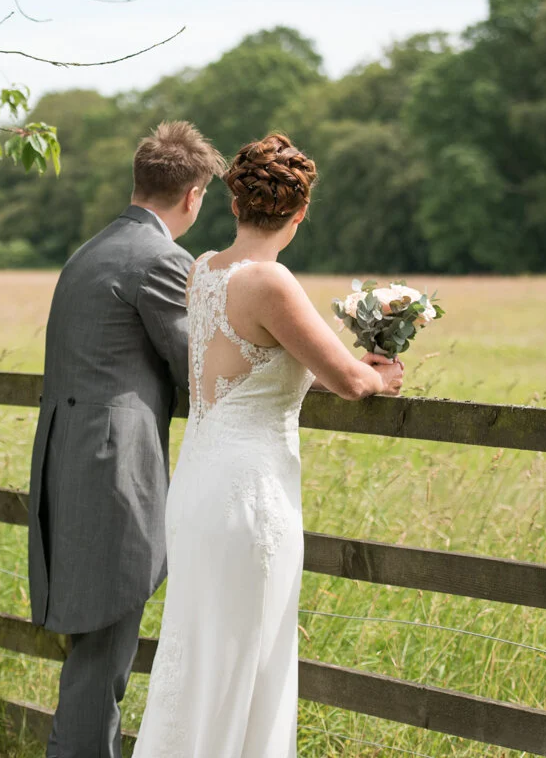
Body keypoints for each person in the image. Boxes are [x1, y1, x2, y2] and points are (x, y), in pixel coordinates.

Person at [132, 133, 404, 758]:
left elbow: (262, 359)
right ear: (300, 212)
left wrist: (340, 364)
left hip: (199, 483)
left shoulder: (204, 268)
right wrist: (380, 376)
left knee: (200, 653)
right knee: (249, 658)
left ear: (235, 205)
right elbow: (349, 382)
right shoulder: (271, 282)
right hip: (249, 494)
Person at [28, 120, 226, 758]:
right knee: (102, 656)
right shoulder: (162, 260)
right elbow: (198, 370)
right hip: (112, 472)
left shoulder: (90, 250)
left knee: (94, 651)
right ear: (193, 196)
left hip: (67, 460)